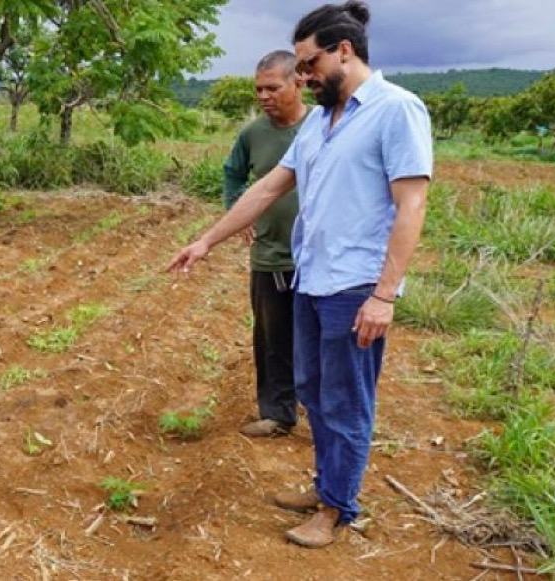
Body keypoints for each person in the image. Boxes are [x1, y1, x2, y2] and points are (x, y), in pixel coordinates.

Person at [167, 0, 432, 548]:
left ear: (344, 51)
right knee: (311, 387)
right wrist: (207, 240)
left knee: (345, 399)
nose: (304, 77)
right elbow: (266, 188)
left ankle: (337, 509)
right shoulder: (321, 123)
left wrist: (384, 295)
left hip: (356, 285)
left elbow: (411, 206)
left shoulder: (396, 110)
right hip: (312, 277)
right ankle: (326, 484)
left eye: (309, 66)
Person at [223, 50, 309, 438]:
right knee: (272, 338)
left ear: (298, 82)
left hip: (320, 258)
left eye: (272, 87)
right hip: (271, 255)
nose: (263, 96)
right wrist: (236, 213)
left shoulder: (323, 127)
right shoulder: (253, 134)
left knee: (319, 339)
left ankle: (321, 411)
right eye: (258, 89)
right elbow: (232, 174)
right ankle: (278, 413)